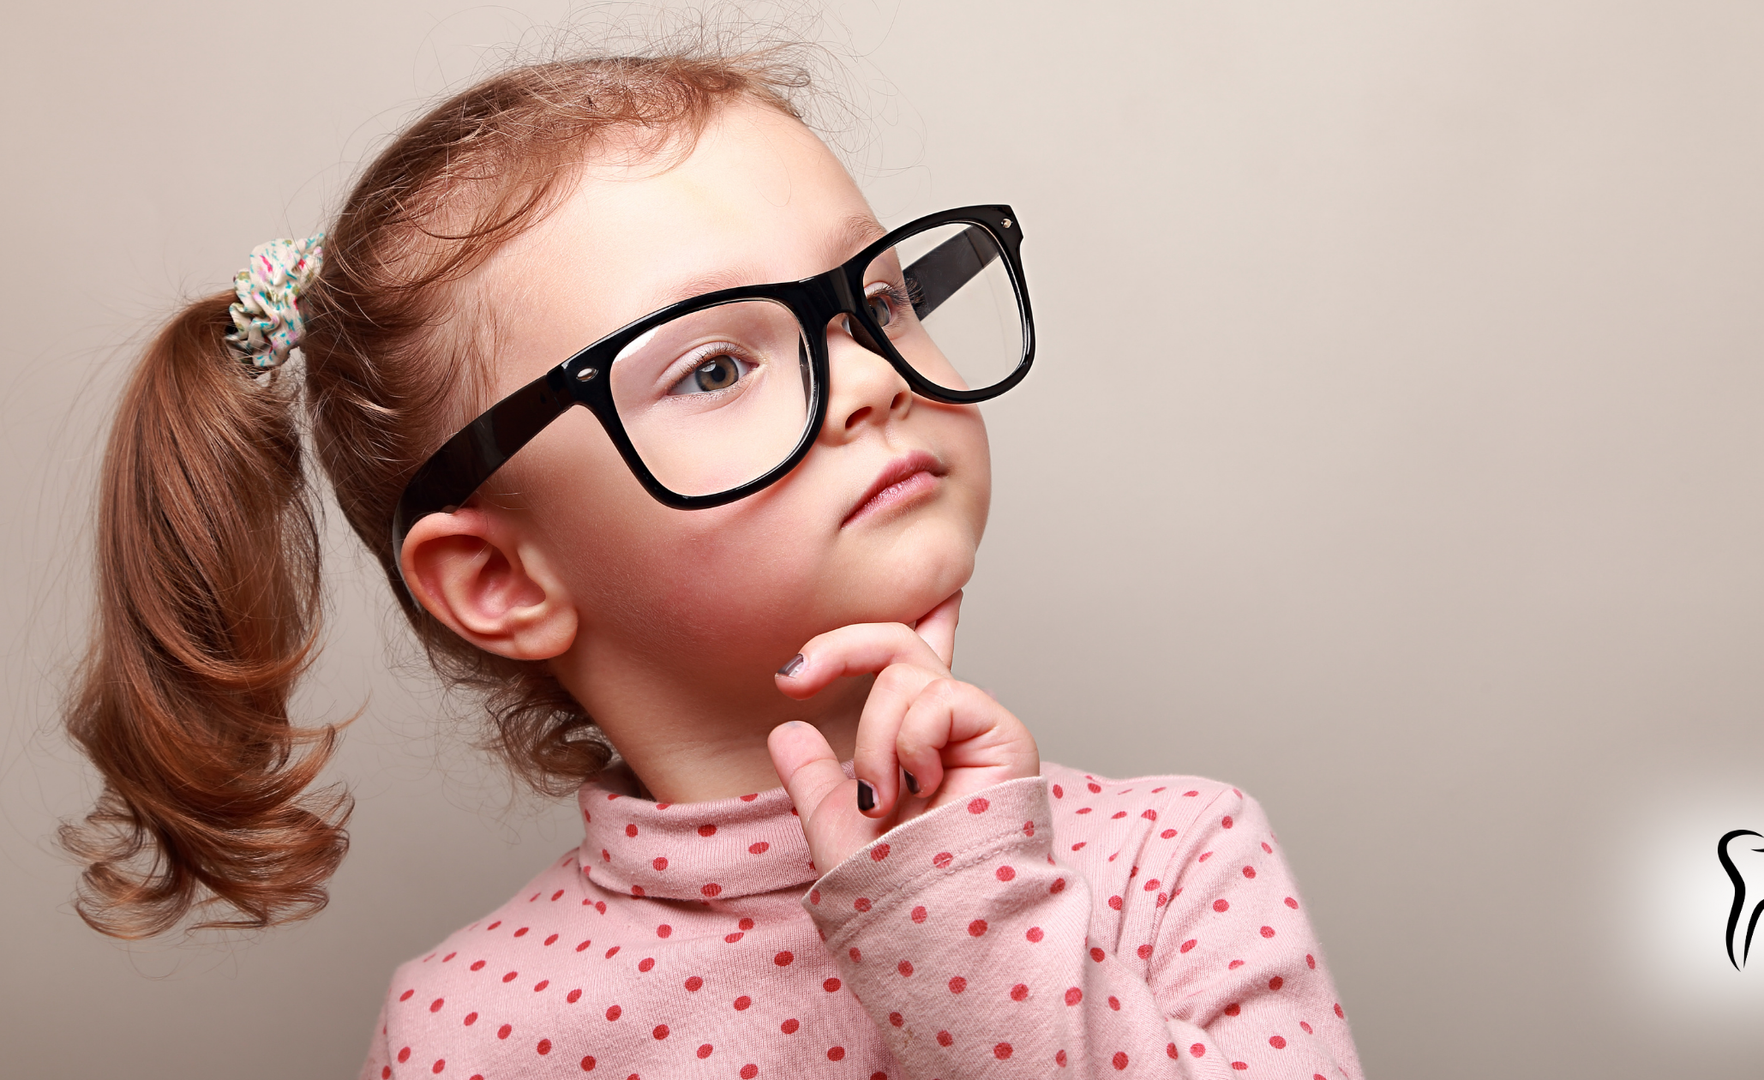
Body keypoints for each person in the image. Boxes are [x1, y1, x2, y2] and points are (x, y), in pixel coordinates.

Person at [60, 47, 1364, 1080]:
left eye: (881, 296)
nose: (868, 375)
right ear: (502, 581)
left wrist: (971, 920)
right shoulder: (470, 1038)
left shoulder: (1173, 861)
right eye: (718, 365)